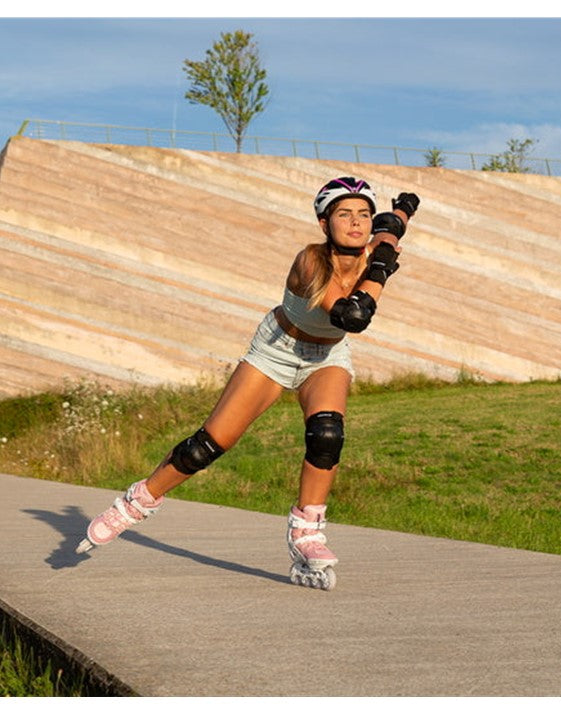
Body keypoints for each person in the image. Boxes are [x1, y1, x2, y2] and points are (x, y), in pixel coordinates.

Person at [76, 176, 420, 590]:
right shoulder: (310, 261)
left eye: (363, 214)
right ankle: (137, 502)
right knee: (206, 446)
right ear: (323, 222)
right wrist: (381, 266)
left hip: (326, 355)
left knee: (327, 434)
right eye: (343, 214)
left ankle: (306, 531)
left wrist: (402, 210)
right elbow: (351, 316)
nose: (356, 223)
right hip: (277, 347)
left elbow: (392, 225)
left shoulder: (375, 247)